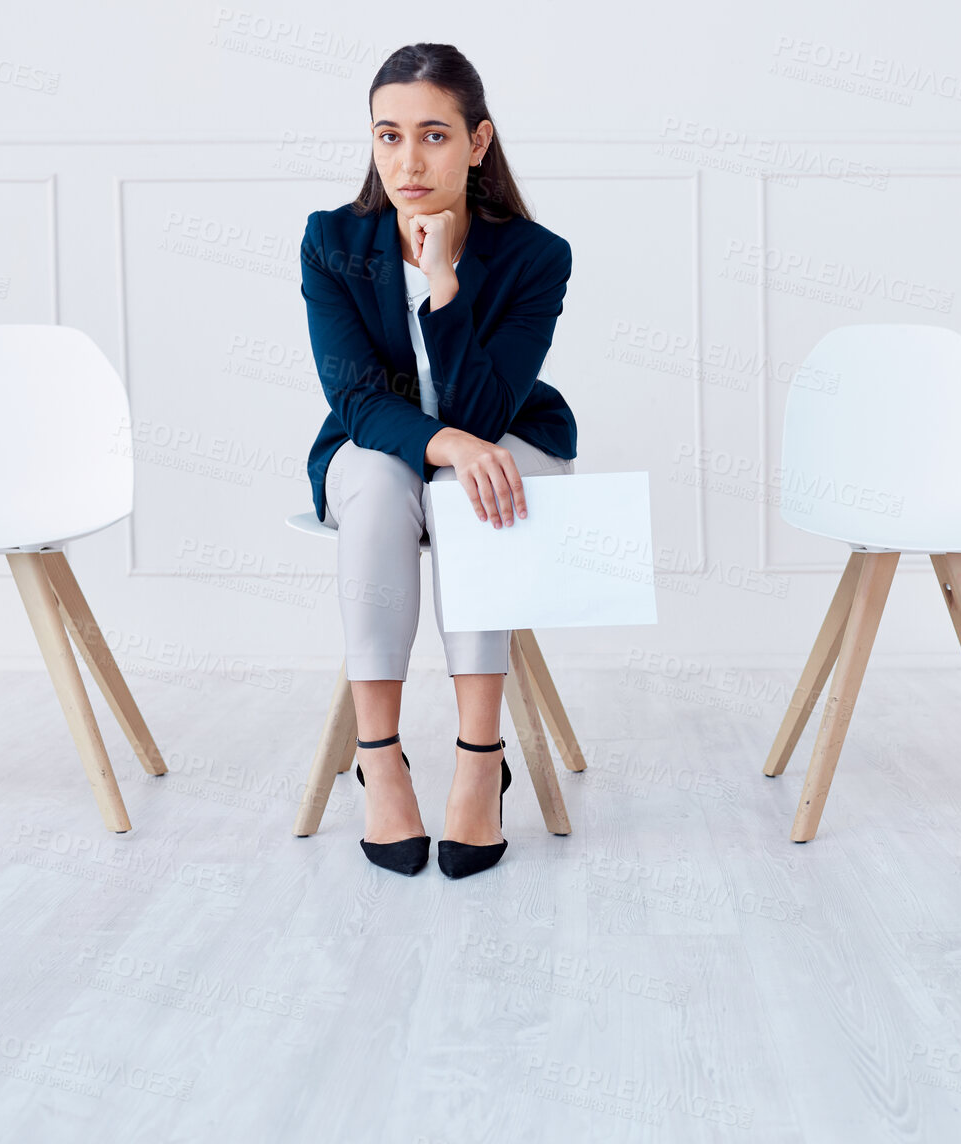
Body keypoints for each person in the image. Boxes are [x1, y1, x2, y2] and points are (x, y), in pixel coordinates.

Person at [299, 43, 577, 879]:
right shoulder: (330, 242)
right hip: (375, 445)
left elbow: (485, 413)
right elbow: (353, 398)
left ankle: (477, 761)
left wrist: (443, 280)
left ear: (478, 142)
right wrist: (441, 440)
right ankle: (378, 757)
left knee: (466, 486)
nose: (407, 161)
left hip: (502, 441)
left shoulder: (536, 256)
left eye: (432, 135)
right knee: (386, 485)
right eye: (388, 136)